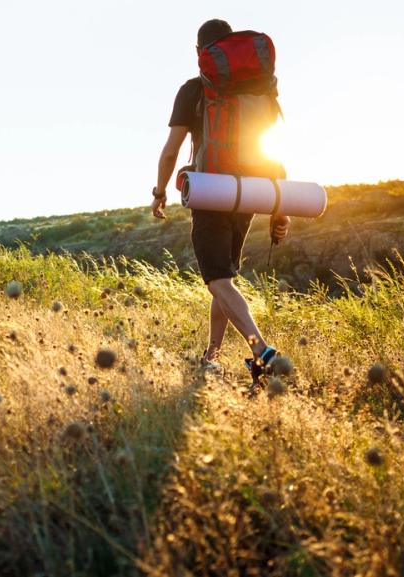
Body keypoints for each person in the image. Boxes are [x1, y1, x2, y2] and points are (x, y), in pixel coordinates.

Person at [150, 18, 290, 383]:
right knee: (224, 276)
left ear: (202, 52)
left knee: (216, 279)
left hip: (212, 192)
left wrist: (160, 190)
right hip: (248, 193)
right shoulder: (258, 89)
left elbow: (170, 152)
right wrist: (279, 206)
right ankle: (211, 356)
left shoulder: (195, 89)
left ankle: (261, 350)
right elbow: (270, 148)